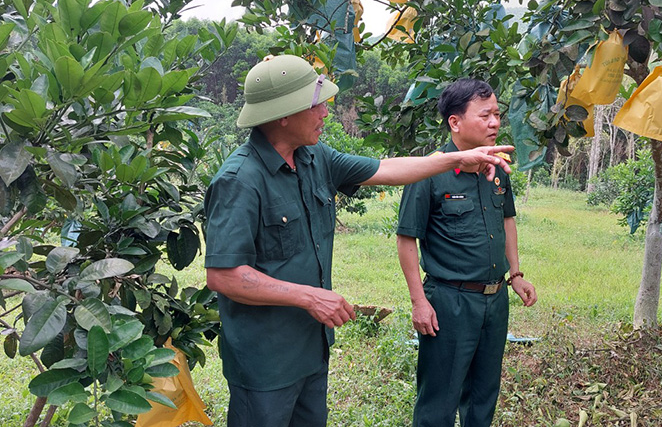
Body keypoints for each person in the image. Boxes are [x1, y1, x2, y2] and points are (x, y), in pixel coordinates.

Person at [203, 55, 514, 427]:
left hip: (311, 347)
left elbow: (387, 169)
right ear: (284, 114)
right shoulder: (240, 179)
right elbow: (224, 276)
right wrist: (308, 296)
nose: (325, 113)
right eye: (315, 104)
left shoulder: (316, 158)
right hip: (265, 360)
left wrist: (457, 158)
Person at [396, 78, 538, 427]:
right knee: (439, 400)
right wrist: (419, 301)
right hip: (450, 300)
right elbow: (406, 239)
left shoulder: (497, 169)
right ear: (455, 123)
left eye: (497, 115)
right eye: (485, 115)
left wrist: (515, 274)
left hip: (494, 299)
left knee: (483, 395)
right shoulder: (429, 172)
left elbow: (507, 221)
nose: (495, 123)